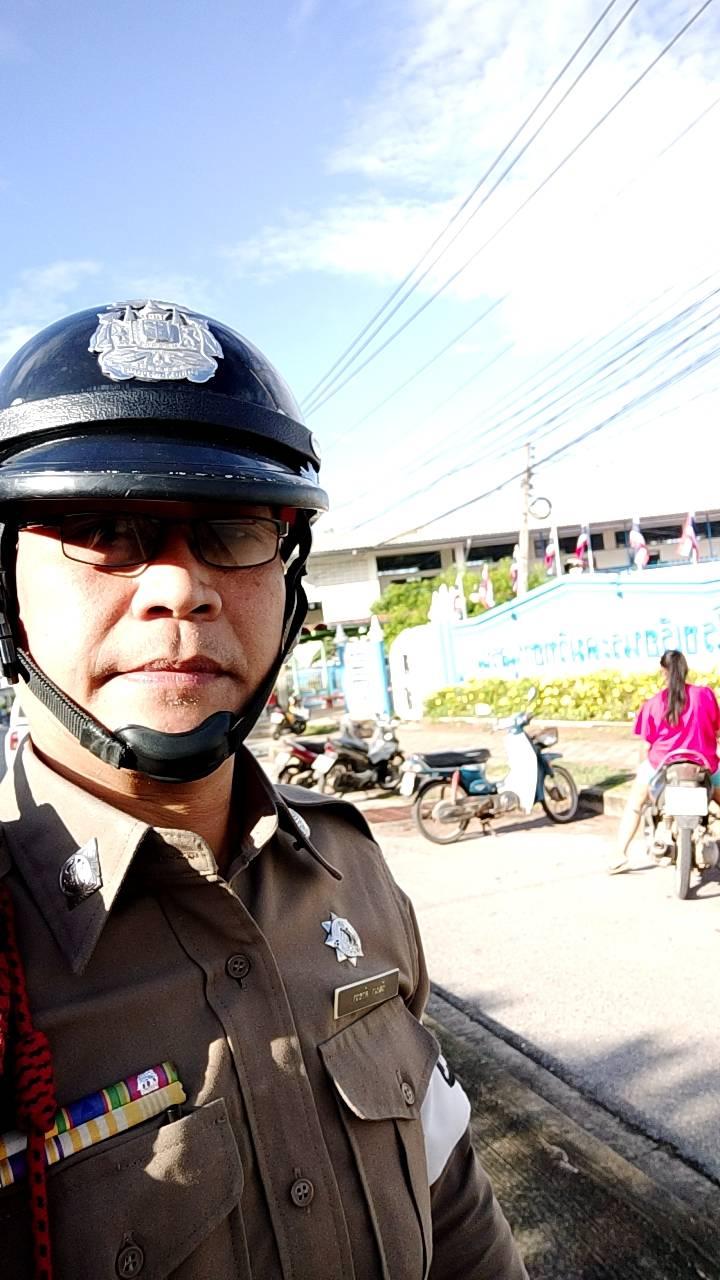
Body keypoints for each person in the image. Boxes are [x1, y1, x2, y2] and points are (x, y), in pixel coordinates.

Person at [0, 301, 527, 1279]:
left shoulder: (351, 869)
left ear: (290, 585)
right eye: (102, 527)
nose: (179, 588)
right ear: (7, 587)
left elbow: (450, 1187)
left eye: (234, 528)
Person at [609, 649, 720, 874]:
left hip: (661, 766)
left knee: (635, 805)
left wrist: (642, 769)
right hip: (704, 765)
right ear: (685, 670)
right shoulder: (704, 695)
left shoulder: (652, 703)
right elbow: (717, 731)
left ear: (663, 672)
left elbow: (646, 745)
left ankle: (620, 854)